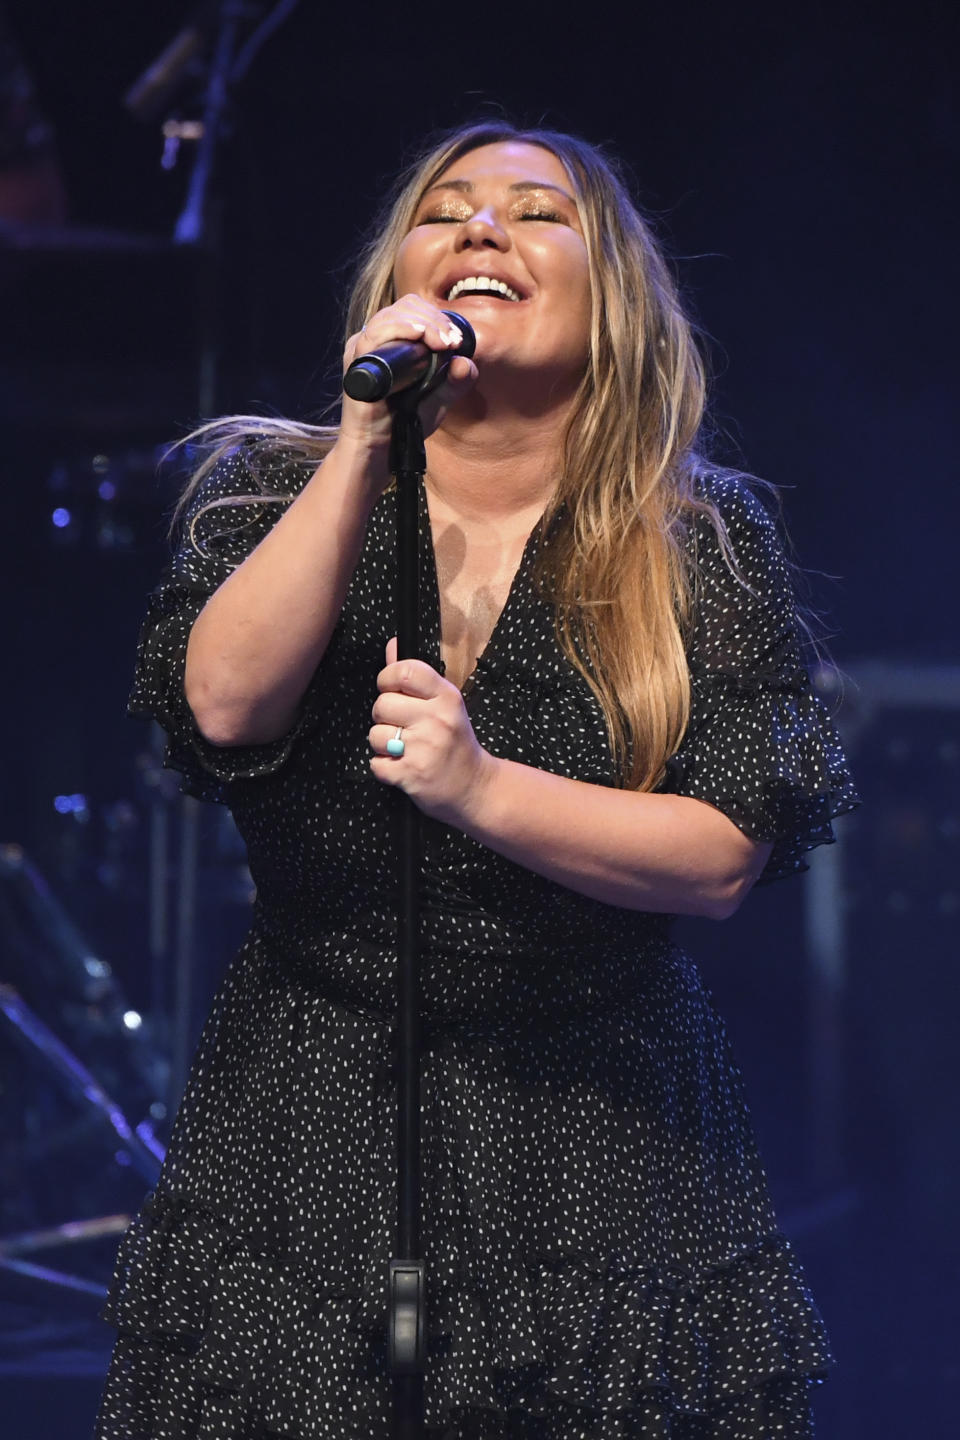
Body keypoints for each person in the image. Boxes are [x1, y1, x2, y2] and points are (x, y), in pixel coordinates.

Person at [94, 120, 859, 1440]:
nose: (480, 229)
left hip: (600, 1138)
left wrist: (482, 787)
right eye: (445, 210)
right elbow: (222, 702)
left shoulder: (700, 547)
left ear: (614, 292)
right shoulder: (270, 488)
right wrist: (363, 440)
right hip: (309, 1118)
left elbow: (730, 846)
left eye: (533, 211)